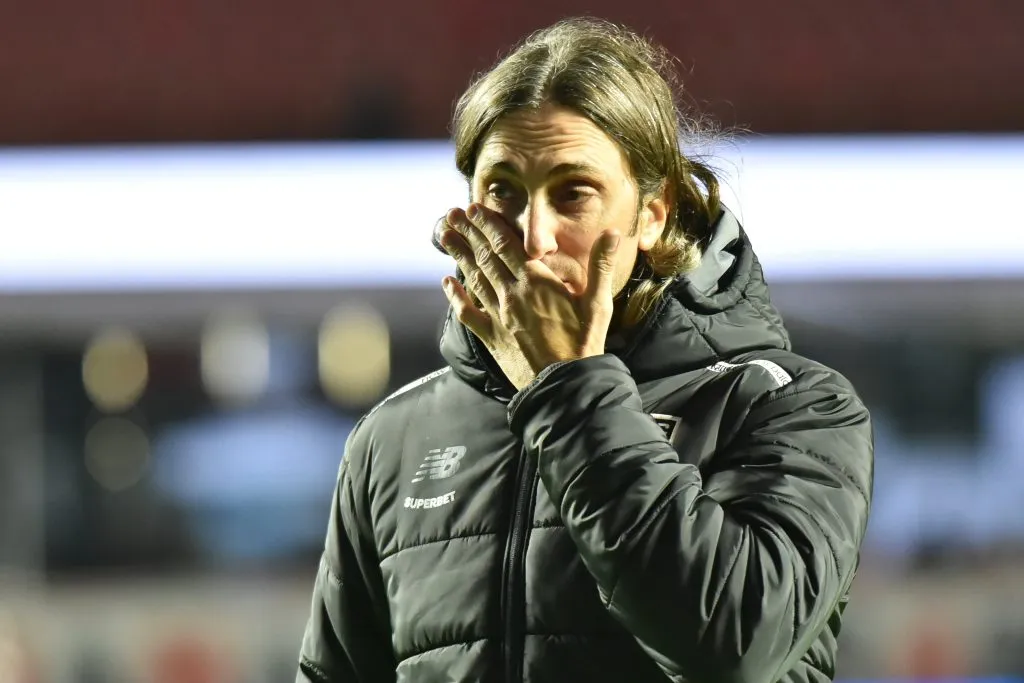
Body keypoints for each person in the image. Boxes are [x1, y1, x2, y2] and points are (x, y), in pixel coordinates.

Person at [297, 16, 874, 683]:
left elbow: (733, 646)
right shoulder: (392, 438)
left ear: (652, 216)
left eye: (573, 191)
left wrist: (568, 384)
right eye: (501, 191)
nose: (534, 234)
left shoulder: (786, 405)